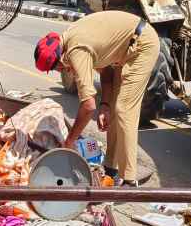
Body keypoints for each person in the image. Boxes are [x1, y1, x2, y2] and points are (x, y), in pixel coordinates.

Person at [34, 10, 160, 186]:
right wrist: (106, 105)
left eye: (59, 69)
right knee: (114, 109)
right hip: (127, 48)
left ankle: (130, 181)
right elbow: (106, 71)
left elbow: (88, 106)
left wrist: (69, 141)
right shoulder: (70, 38)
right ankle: (111, 169)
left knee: (124, 109)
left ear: (60, 58)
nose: (63, 71)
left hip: (142, 46)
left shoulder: (76, 51)